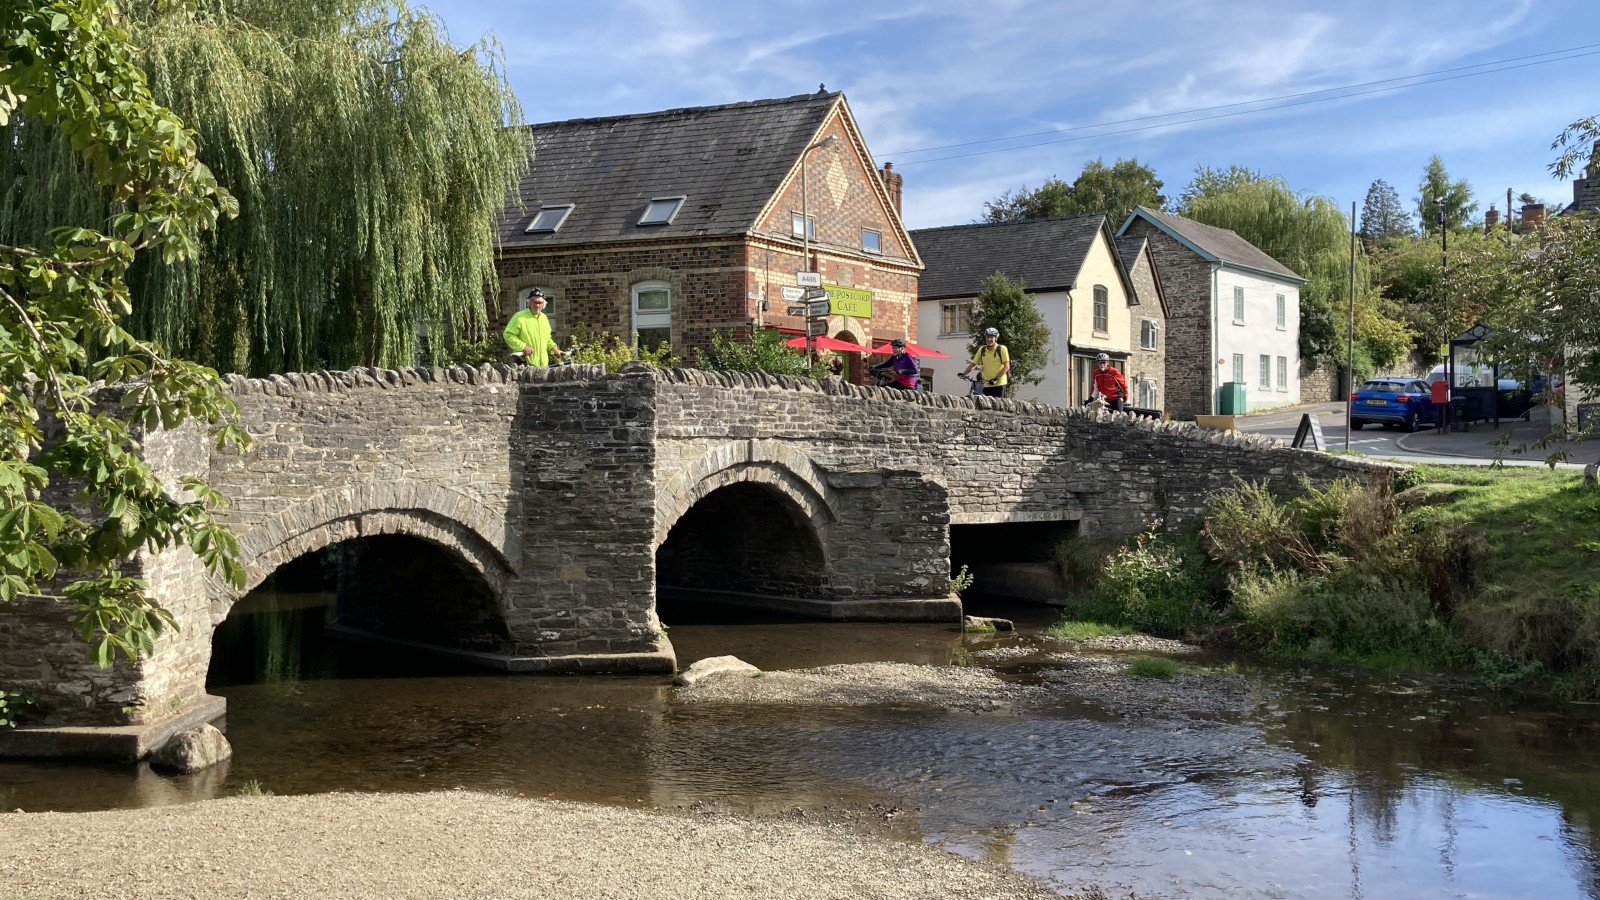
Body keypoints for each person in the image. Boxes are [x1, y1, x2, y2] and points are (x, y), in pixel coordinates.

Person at [502, 289, 563, 367]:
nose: (537, 305)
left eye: (540, 302)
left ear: (544, 304)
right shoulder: (520, 316)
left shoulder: (544, 318)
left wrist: (554, 349)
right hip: (525, 365)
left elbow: (547, 338)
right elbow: (508, 334)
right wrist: (523, 347)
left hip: (543, 366)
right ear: (529, 302)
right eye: (535, 302)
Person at [961, 327, 1009, 397]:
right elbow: (973, 364)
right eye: (987, 337)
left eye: (991, 337)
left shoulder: (1002, 349)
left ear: (996, 338)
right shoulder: (982, 349)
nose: (989, 339)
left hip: (999, 384)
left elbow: (1007, 367)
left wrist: (996, 379)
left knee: (999, 406)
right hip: (987, 384)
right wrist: (964, 374)